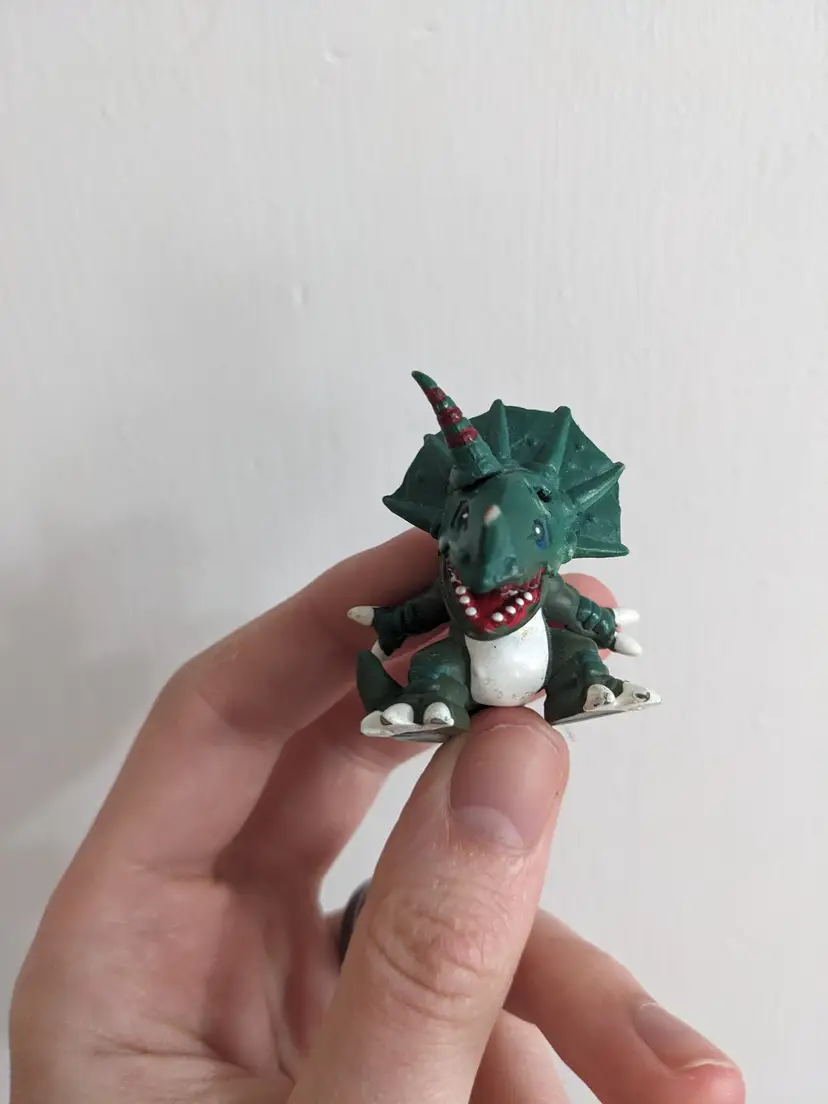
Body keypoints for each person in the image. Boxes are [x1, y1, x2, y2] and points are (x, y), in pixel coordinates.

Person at [8, 531, 745, 1103]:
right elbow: (420, 614)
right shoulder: (457, 582)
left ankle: (585, 686)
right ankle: (428, 702)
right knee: (437, 668)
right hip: (464, 668)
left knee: (573, 656)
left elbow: (576, 610)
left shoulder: (540, 585)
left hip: (534, 661)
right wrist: (391, 621)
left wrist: (602, 626)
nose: (491, 556)